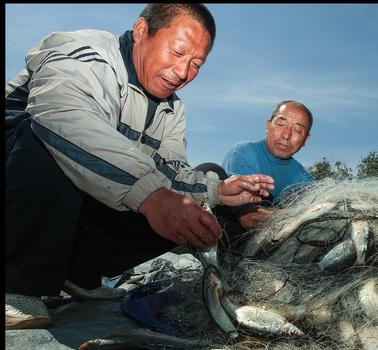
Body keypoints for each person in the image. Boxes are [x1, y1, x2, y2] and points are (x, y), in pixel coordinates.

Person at [5, 4, 275, 330]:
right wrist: (152, 196)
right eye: (176, 52)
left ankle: (77, 270)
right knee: (45, 138)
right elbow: (62, 117)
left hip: (73, 210)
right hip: (16, 174)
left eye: (195, 64)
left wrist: (217, 190)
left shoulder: (172, 111)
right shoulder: (87, 54)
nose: (182, 71)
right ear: (141, 31)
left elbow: (170, 171)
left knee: (195, 197)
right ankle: (16, 283)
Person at [219, 100, 315, 237]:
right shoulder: (243, 152)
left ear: (306, 139)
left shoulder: (306, 180)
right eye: (281, 124)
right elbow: (248, 218)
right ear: (268, 125)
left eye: (297, 130)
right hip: (234, 237)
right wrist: (304, 213)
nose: (286, 135)